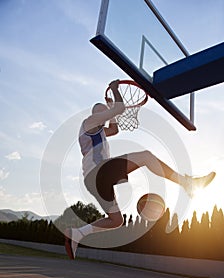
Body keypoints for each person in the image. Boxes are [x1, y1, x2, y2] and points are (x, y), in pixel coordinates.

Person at [64, 79, 215, 259]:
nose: (106, 113)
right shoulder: (89, 122)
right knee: (146, 157)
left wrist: (111, 107)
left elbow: (115, 129)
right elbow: (119, 110)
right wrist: (114, 92)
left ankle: (77, 234)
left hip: (94, 181)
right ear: (97, 113)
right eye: (103, 111)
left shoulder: (99, 130)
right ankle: (186, 182)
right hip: (100, 172)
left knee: (116, 221)